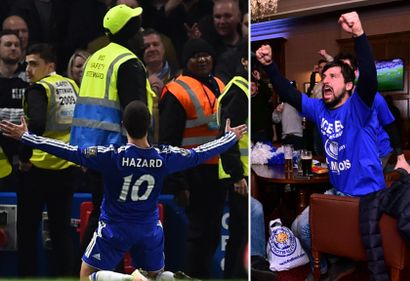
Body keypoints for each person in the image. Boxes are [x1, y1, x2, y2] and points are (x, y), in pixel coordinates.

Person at [0, 101, 247, 281]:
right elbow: (199, 154)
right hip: (150, 229)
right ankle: (171, 278)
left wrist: (26, 136)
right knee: (153, 276)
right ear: (149, 124)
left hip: (114, 228)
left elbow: (68, 151)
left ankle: (127, 280)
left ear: (123, 126)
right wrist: (229, 138)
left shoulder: (111, 157)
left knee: (87, 275)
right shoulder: (165, 156)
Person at [256, 11, 382, 281]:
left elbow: (370, 78)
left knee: (312, 226)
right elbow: (290, 93)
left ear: (349, 85)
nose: (326, 80)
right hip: (337, 190)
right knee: (301, 226)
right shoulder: (319, 109)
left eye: (334, 76)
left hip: (365, 196)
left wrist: (358, 33)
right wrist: (270, 66)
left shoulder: (358, 107)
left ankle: (338, 260)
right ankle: (328, 265)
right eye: (325, 76)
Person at [69, 4, 156, 262]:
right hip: (120, 153)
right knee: (112, 221)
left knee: (104, 217)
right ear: (129, 33)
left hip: (93, 150)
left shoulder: (96, 58)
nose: (142, 33)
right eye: (138, 28)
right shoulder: (128, 63)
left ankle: (93, 272)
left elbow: (89, 109)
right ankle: (90, 271)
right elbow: (135, 113)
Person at [158, 38, 225, 278]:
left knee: (211, 236)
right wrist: (178, 183)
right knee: (197, 237)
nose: (202, 59)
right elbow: (167, 142)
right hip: (192, 174)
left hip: (217, 172)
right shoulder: (177, 90)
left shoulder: (219, 84)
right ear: (187, 61)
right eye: (195, 55)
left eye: (206, 54)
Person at [17, 43, 79, 277]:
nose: (28, 69)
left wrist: (24, 158)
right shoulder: (71, 85)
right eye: (27, 64)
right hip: (66, 166)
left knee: (27, 230)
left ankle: (27, 276)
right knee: (61, 231)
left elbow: (37, 125)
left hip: (37, 168)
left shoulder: (38, 90)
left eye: (34, 64)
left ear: (50, 65)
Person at [334, 51, 410, 174]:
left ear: (355, 73)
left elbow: (391, 125)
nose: (342, 74)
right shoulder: (334, 101)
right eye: (339, 70)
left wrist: (400, 157)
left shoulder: (372, 97)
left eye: (346, 69)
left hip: (378, 153)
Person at [216, 40, 249, 279]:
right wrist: (237, 175)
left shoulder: (243, 87)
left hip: (240, 172)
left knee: (240, 235)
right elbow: (228, 135)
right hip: (239, 176)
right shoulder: (238, 89)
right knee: (239, 236)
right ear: (243, 62)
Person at [0, 30, 28, 191]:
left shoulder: (30, 76)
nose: (13, 48)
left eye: (17, 45)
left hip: (24, 149)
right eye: (8, 44)